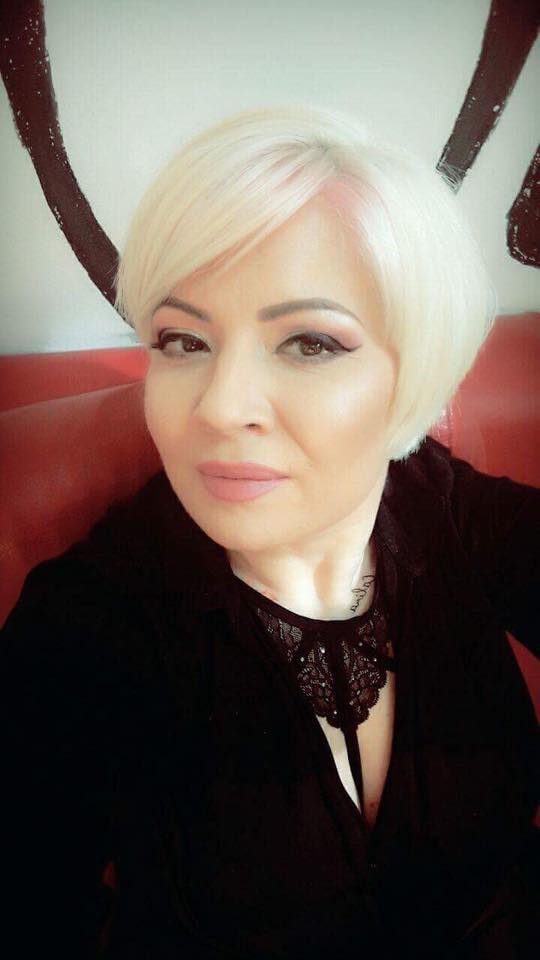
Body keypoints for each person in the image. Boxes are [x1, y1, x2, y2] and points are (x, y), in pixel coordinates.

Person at [2, 104, 538, 959]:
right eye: (183, 340)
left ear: (412, 370)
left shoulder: (445, 509)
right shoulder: (87, 629)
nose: (219, 408)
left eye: (310, 343)